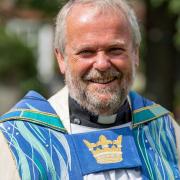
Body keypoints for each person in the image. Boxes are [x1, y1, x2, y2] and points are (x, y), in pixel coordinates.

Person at [0, 0, 180, 179]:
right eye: (86, 52)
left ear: (135, 54)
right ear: (61, 58)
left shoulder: (164, 130)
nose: (102, 64)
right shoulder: (17, 141)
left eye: (115, 49)